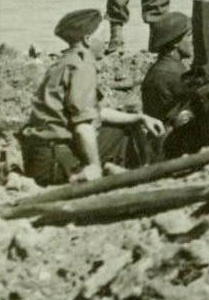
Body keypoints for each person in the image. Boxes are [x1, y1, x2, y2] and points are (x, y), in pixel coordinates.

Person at [18, 9, 165, 186]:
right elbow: (82, 125)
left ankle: (117, 170)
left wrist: (139, 117)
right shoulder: (82, 67)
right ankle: (135, 177)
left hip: (39, 156)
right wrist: (93, 165)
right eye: (103, 37)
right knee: (126, 135)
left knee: (125, 125)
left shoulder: (64, 62)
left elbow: (94, 111)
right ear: (88, 40)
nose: (106, 42)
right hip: (55, 161)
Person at [141, 11, 206, 158]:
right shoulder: (174, 73)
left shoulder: (161, 67)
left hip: (158, 138)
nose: (192, 41)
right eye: (188, 36)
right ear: (175, 42)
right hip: (170, 143)